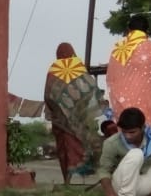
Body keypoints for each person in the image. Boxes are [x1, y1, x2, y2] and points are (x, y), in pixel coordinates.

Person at [43, 42, 106, 183]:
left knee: (63, 147)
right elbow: (89, 88)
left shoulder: (53, 69)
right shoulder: (78, 66)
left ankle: (67, 178)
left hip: (60, 119)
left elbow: (47, 94)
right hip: (78, 118)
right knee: (79, 143)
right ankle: (81, 175)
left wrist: (58, 109)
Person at [105, 14, 151, 134]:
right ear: (147, 30)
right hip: (148, 101)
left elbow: (111, 77)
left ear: (129, 29)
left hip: (123, 103)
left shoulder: (118, 48)